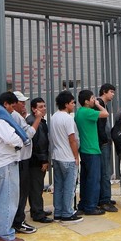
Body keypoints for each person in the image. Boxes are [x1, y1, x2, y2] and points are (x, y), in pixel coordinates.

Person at [0, 92, 29, 241]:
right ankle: (6, 235)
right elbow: (12, 138)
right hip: (5, 163)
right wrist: (21, 141)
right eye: (12, 107)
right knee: (8, 199)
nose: (12, 111)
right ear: (6, 104)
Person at [10, 91, 42, 235]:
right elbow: (29, 134)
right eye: (21, 102)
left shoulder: (17, 116)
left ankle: (16, 220)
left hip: (21, 159)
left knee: (21, 192)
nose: (24, 104)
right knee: (21, 193)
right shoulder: (15, 116)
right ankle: (18, 221)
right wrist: (38, 119)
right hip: (21, 159)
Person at [48, 91, 84, 222]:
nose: (74, 104)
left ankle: (58, 212)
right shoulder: (68, 118)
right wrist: (76, 157)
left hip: (57, 156)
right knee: (69, 187)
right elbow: (72, 139)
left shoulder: (54, 117)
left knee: (58, 186)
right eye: (72, 102)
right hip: (68, 157)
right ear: (66, 104)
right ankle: (67, 213)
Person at [75, 89, 109, 214]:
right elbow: (105, 114)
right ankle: (91, 206)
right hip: (92, 149)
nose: (94, 100)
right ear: (86, 101)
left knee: (85, 179)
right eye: (92, 98)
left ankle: (83, 204)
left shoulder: (79, 112)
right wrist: (99, 104)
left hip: (84, 149)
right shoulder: (88, 112)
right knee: (94, 180)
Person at [26, 97, 52, 223]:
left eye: (44, 106)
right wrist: (44, 160)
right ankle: (38, 213)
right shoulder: (35, 122)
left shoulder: (38, 121)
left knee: (36, 187)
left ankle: (36, 209)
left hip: (34, 159)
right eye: (40, 107)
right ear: (33, 109)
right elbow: (39, 143)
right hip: (36, 160)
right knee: (36, 187)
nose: (44, 109)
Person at [95, 83, 118, 212]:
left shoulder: (102, 104)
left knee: (105, 171)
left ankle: (104, 197)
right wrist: (104, 140)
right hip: (103, 143)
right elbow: (100, 125)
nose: (113, 94)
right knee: (105, 172)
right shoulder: (99, 104)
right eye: (111, 92)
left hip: (103, 142)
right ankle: (104, 200)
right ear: (104, 91)